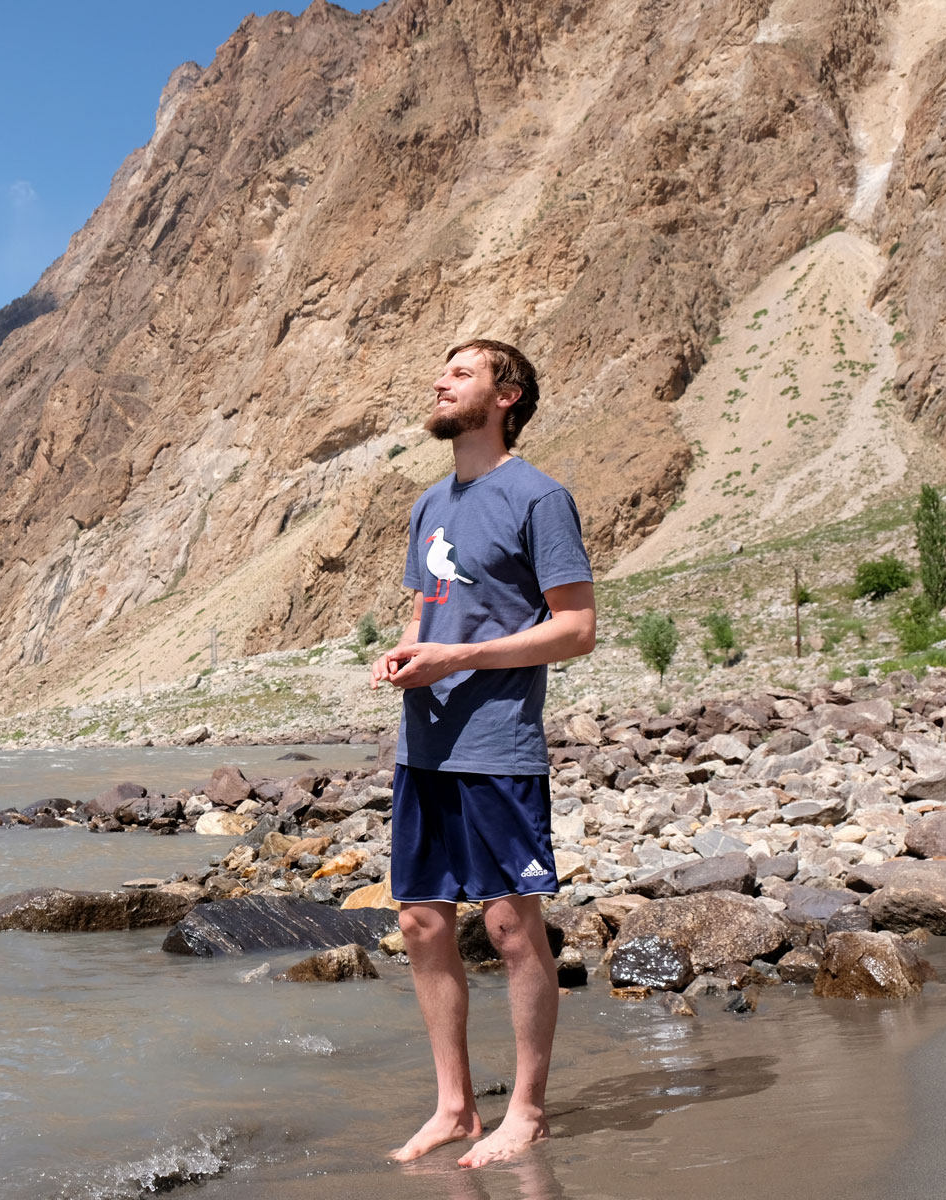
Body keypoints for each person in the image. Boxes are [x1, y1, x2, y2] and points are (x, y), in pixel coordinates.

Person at [370, 338, 596, 1168]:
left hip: (498, 744)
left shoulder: (538, 498)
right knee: (423, 923)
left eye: (461, 372)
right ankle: (456, 1106)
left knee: (507, 926)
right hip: (423, 743)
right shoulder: (430, 504)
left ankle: (527, 1112)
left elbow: (576, 628)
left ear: (508, 396)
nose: (440, 380)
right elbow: (429, 611)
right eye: (441, 370)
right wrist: (406, 654)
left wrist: (456, 659)